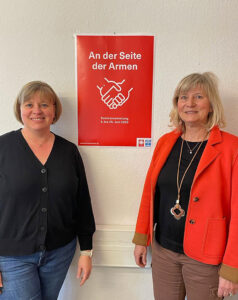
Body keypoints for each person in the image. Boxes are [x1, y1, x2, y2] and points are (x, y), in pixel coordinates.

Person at [133, 72, 238, 300]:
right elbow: (150, 194)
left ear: (211, 105)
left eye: (198, 97)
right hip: (164, 252)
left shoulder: (231, 148)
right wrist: (142, 239)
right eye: (183, 97)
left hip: (207, 258)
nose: (189, 103)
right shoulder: (165, 143)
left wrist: (232, 268)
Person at [0, 81, 95, 300]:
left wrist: (86, 251)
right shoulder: (3, 149)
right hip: (11, 256)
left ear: (54, 111)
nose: (37, 111)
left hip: (59, 252)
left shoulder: (68, 151)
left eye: (44, 104)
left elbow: (82, 202)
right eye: (29, 104)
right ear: (19, 109)